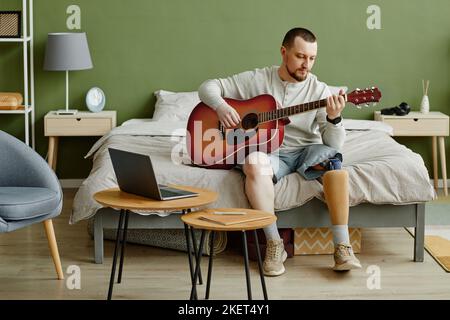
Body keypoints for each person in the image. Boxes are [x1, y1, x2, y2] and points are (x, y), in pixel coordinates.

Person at [198, 27, 361, 276]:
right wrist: (220, 106)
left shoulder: (320, 90)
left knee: (333, 161)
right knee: (252, 163)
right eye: (300, 56)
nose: (306, 65)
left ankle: (342, 246)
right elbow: (207, 86)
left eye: (312, 58)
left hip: (306, 153)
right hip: (270, 155)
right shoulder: (257, 79)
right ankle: (274, 244)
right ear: (284, 52)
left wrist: (334, 118)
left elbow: (333, 143)